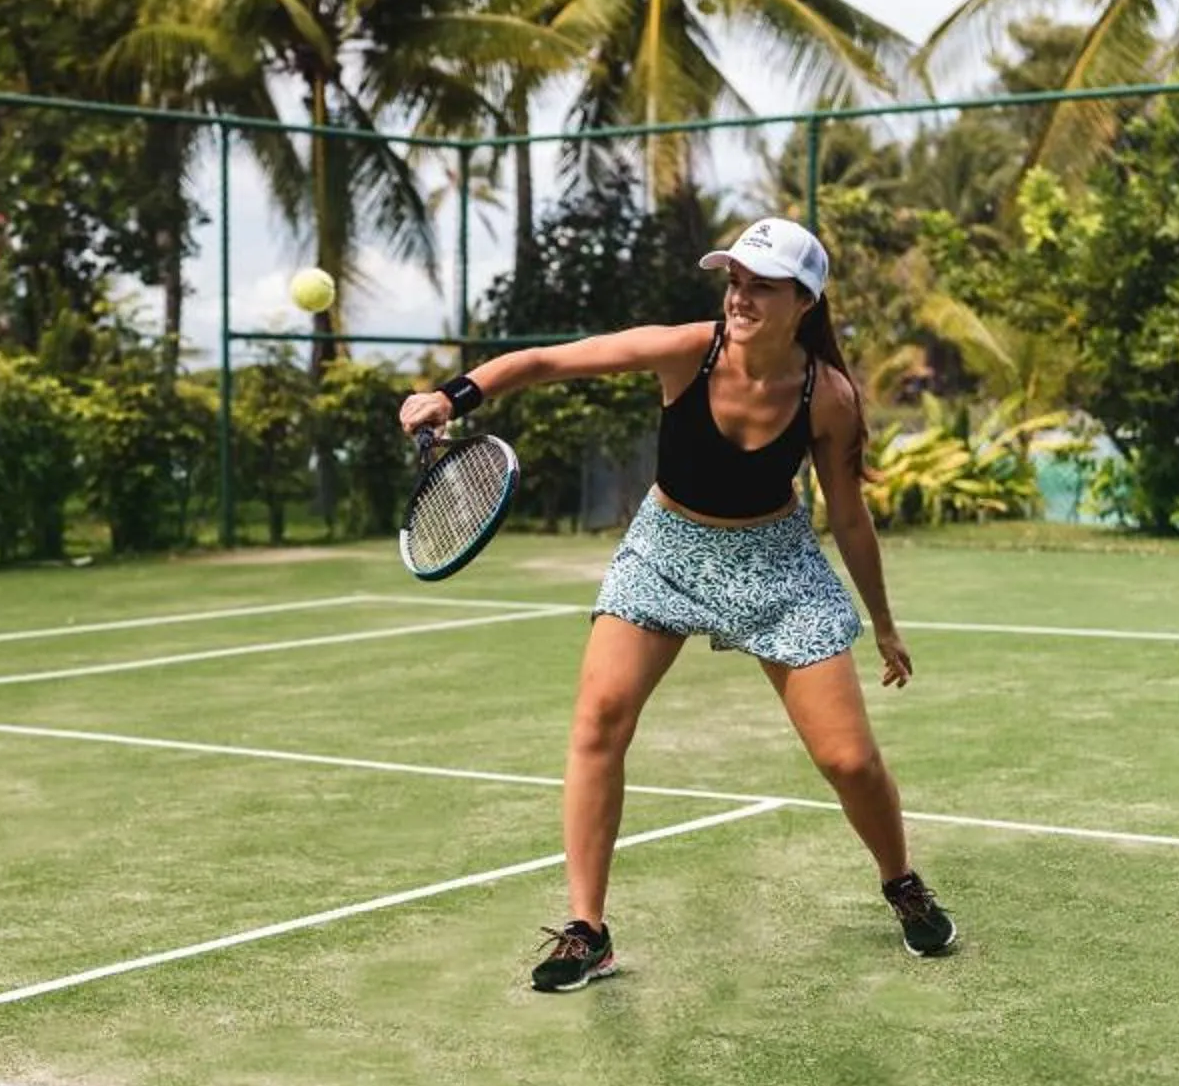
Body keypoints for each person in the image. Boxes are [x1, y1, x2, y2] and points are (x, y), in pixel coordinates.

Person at [398, 216, 957, 989]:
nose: (740, 296)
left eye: (760, 285)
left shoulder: (827, 396)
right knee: (598, 719)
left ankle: (900, 880)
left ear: (804, 301)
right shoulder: (686, 351)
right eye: (734, 279)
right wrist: (452, 396)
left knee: (849, 760)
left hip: (776, 566)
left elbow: (851, 517)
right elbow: (551, 360)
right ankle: (587, 930)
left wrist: (885, 625)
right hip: (666, 551)